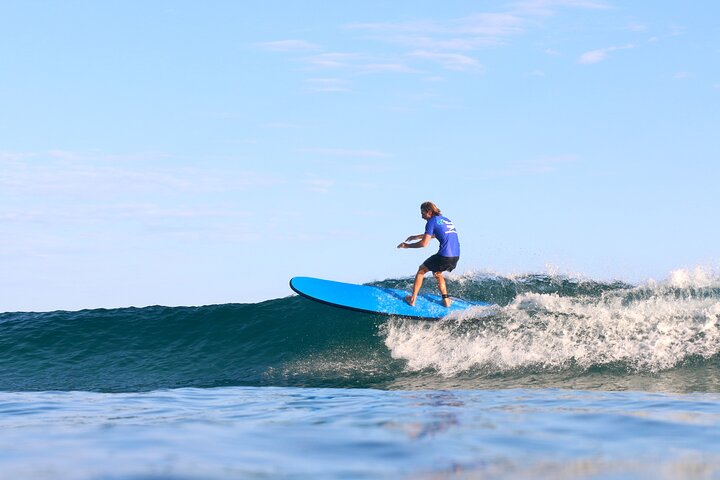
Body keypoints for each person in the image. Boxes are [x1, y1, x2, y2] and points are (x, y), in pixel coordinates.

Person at [397, 201, 460, 307]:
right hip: (455, 257)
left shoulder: (431, 222)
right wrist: (416, 236)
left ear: (429, 212)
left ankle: (412, 300)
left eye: (422, 213)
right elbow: (435, 234)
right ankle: (446, 300)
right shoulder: (445, 220)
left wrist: (407, 246)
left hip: (444, 255)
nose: (422, 216)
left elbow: (424, 244)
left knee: (421, 270)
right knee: (437, 272)